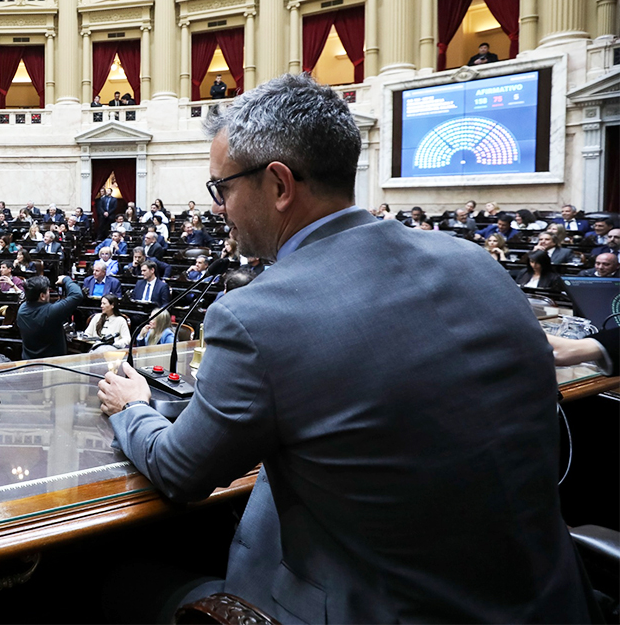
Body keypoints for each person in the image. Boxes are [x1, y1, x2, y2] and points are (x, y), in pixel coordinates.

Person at [96, 73, 593, 623]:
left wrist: (133, 407)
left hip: (378, 610)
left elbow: (179, 472)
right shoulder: (476, 262)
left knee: (107, 582)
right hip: (553, 601)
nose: (218, 208)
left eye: (223, 188)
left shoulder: (256, 316)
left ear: (280, 186)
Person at [16, 275, 83, 360]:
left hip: (29, 362)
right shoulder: (51, 312)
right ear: (42, 296)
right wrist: (66, 279)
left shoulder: (22, 309)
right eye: (48, 291)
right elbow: (77, 295)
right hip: (52, 364)